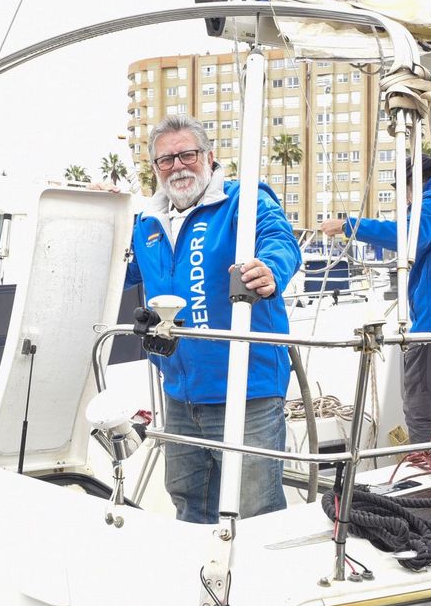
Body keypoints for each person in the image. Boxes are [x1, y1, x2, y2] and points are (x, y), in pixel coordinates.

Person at [126, 113, 300, 523]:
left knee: (255, 509)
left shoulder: (243, 199)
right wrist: (105, 215)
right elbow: (123, 272)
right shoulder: (146, 224)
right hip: (181, 392)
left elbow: (279, 238)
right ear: (155, 168)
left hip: (248, 389)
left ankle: (260, 587)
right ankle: (200, 582)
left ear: (208, 156)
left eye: (186, 154)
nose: (177, 166)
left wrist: (271, 269)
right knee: (189, 501)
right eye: (165, 160)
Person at [320, 154, 431, 442]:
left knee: (419, 406)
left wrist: (348, 226)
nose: (405, 203)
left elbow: (407, 235)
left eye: (404, 195)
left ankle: (426, 465)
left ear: (412, 183)